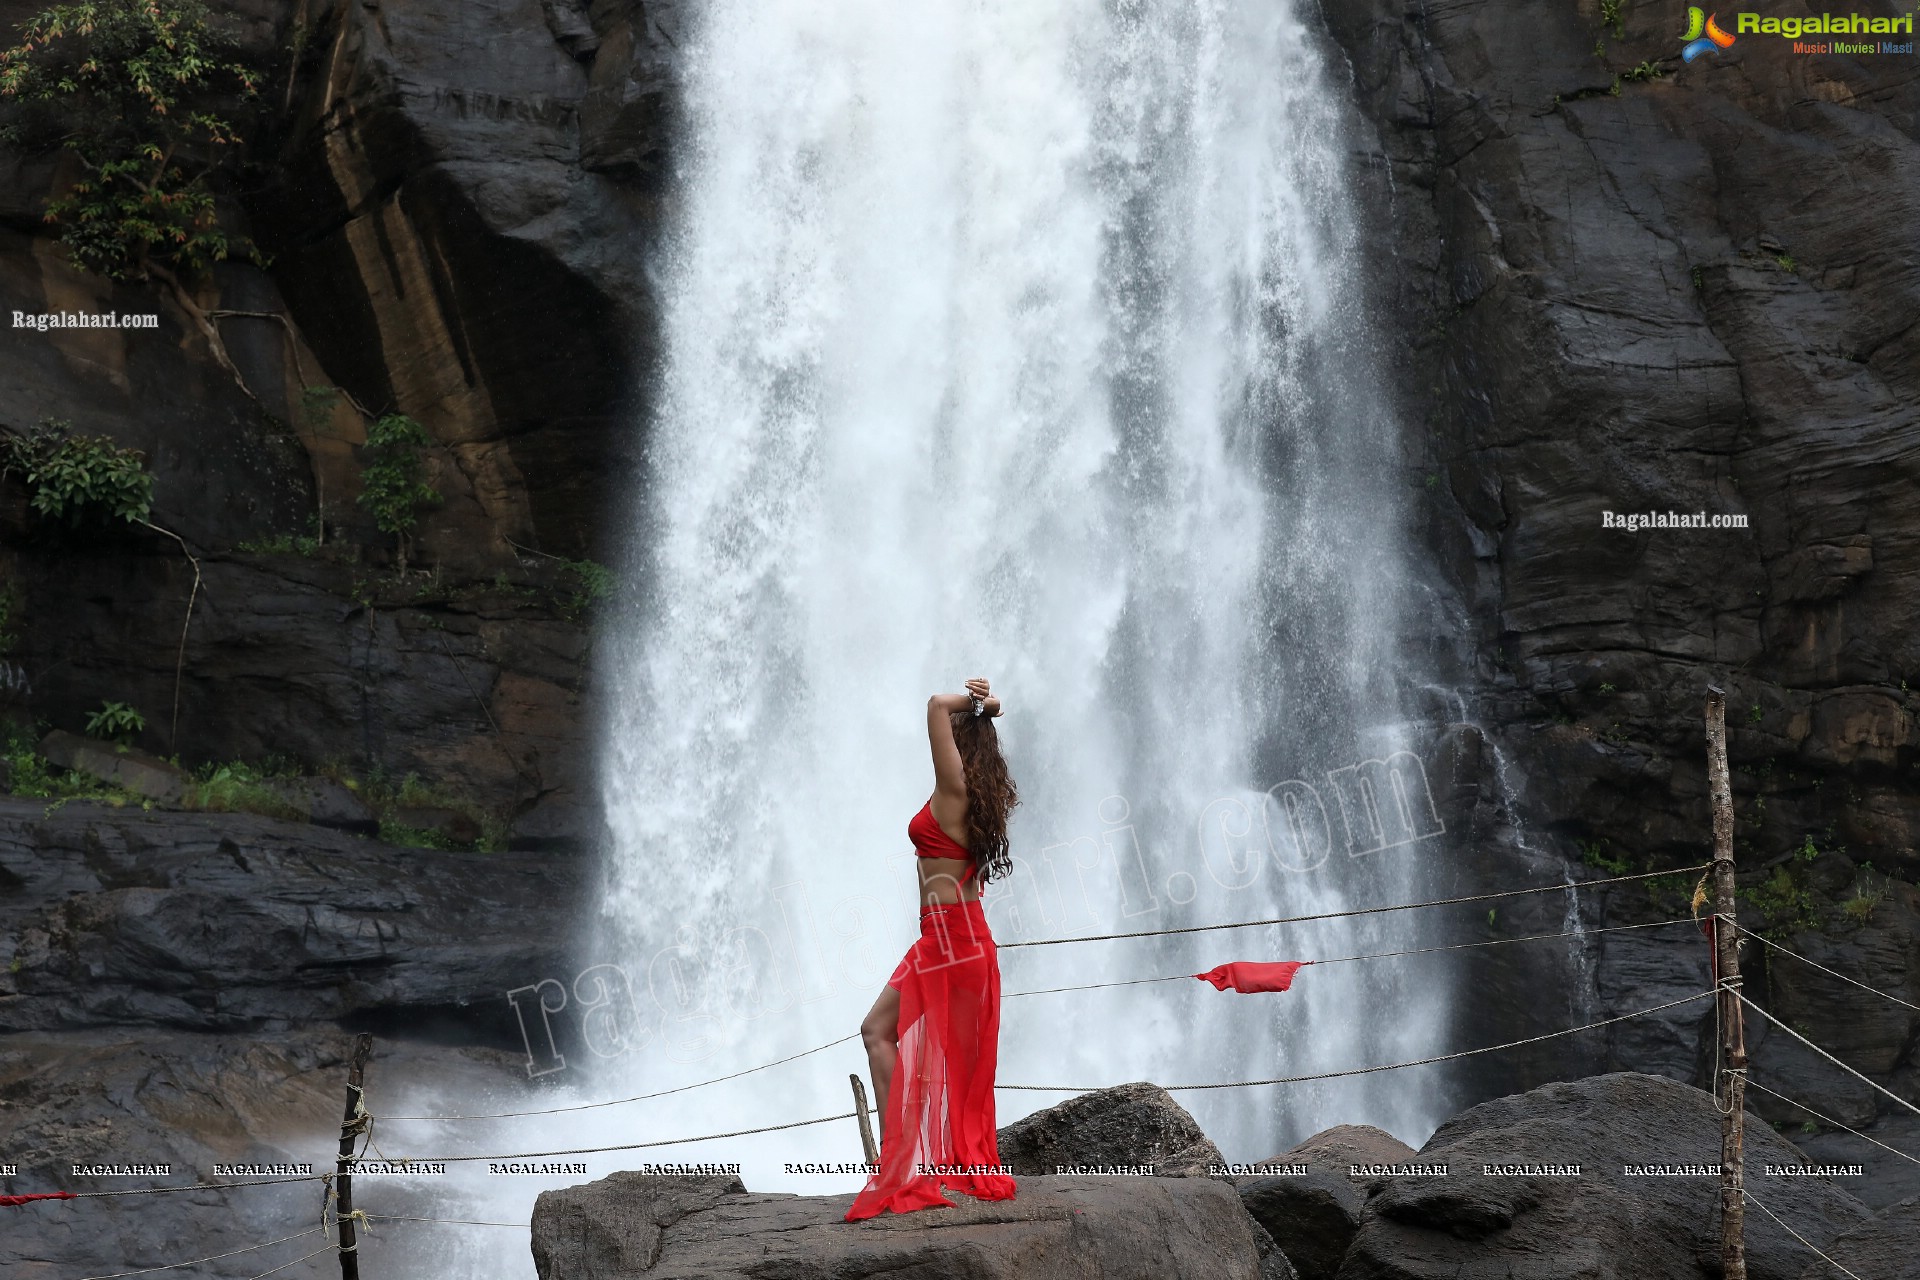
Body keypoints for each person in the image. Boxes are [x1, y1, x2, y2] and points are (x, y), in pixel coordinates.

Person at [844, 677, 1020, 1221]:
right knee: (944, 1061)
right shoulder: (980, 799)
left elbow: (932, 708)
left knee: (877, 1031)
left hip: (947, 938)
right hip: (963, 939)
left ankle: (906, 1162)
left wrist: (967, 702)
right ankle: (915, 1158)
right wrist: (985, 704)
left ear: (959, 746)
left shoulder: (954, 790)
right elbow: (993, 708)